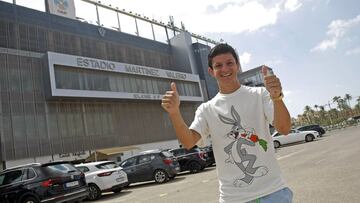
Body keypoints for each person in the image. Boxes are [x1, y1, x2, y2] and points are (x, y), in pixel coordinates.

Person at [161, 43, 293, 203]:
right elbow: (188, 141)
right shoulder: (206, 109)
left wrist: (276, 97)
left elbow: (284, 128)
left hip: (273, 193)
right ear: (211, 71)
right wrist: (175, 113)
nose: (225, 69)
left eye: (229, 63)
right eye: (218, 65)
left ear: (237, 65)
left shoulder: (260, 94)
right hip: (234, 198)